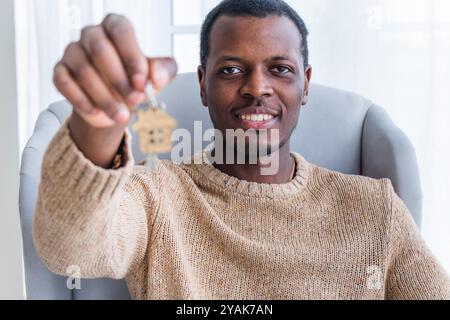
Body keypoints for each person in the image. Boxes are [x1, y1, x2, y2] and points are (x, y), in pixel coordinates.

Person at [33, 0, 450, 299]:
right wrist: (97, 122)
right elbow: (70, 249)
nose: (256, 87)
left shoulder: (374, 207)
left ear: (304, 84)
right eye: (231, 70)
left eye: (280, 69)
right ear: (202, 84)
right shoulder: (157, 196)